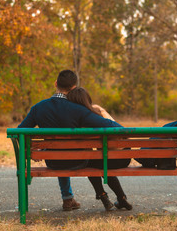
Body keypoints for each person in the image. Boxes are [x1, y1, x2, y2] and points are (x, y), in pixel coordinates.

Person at [18, 70, 125, 211]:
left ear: (56, 84)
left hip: (53, 161)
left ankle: (67, 198)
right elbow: (112, 127)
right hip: (79, 161)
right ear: (74, 87)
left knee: (59, 152)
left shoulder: (38, 108)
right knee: (76, 152)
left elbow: (19, 132)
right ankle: (110, 195)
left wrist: (31, 150)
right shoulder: (79, 110)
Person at [66, 87, 132, 211]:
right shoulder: (98, 109)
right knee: (100, 161)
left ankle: (102, 195)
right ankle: (122, 198)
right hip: (124, 157)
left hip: (110, 159)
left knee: (90, 161)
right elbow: (122, 131)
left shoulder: (83, 117)